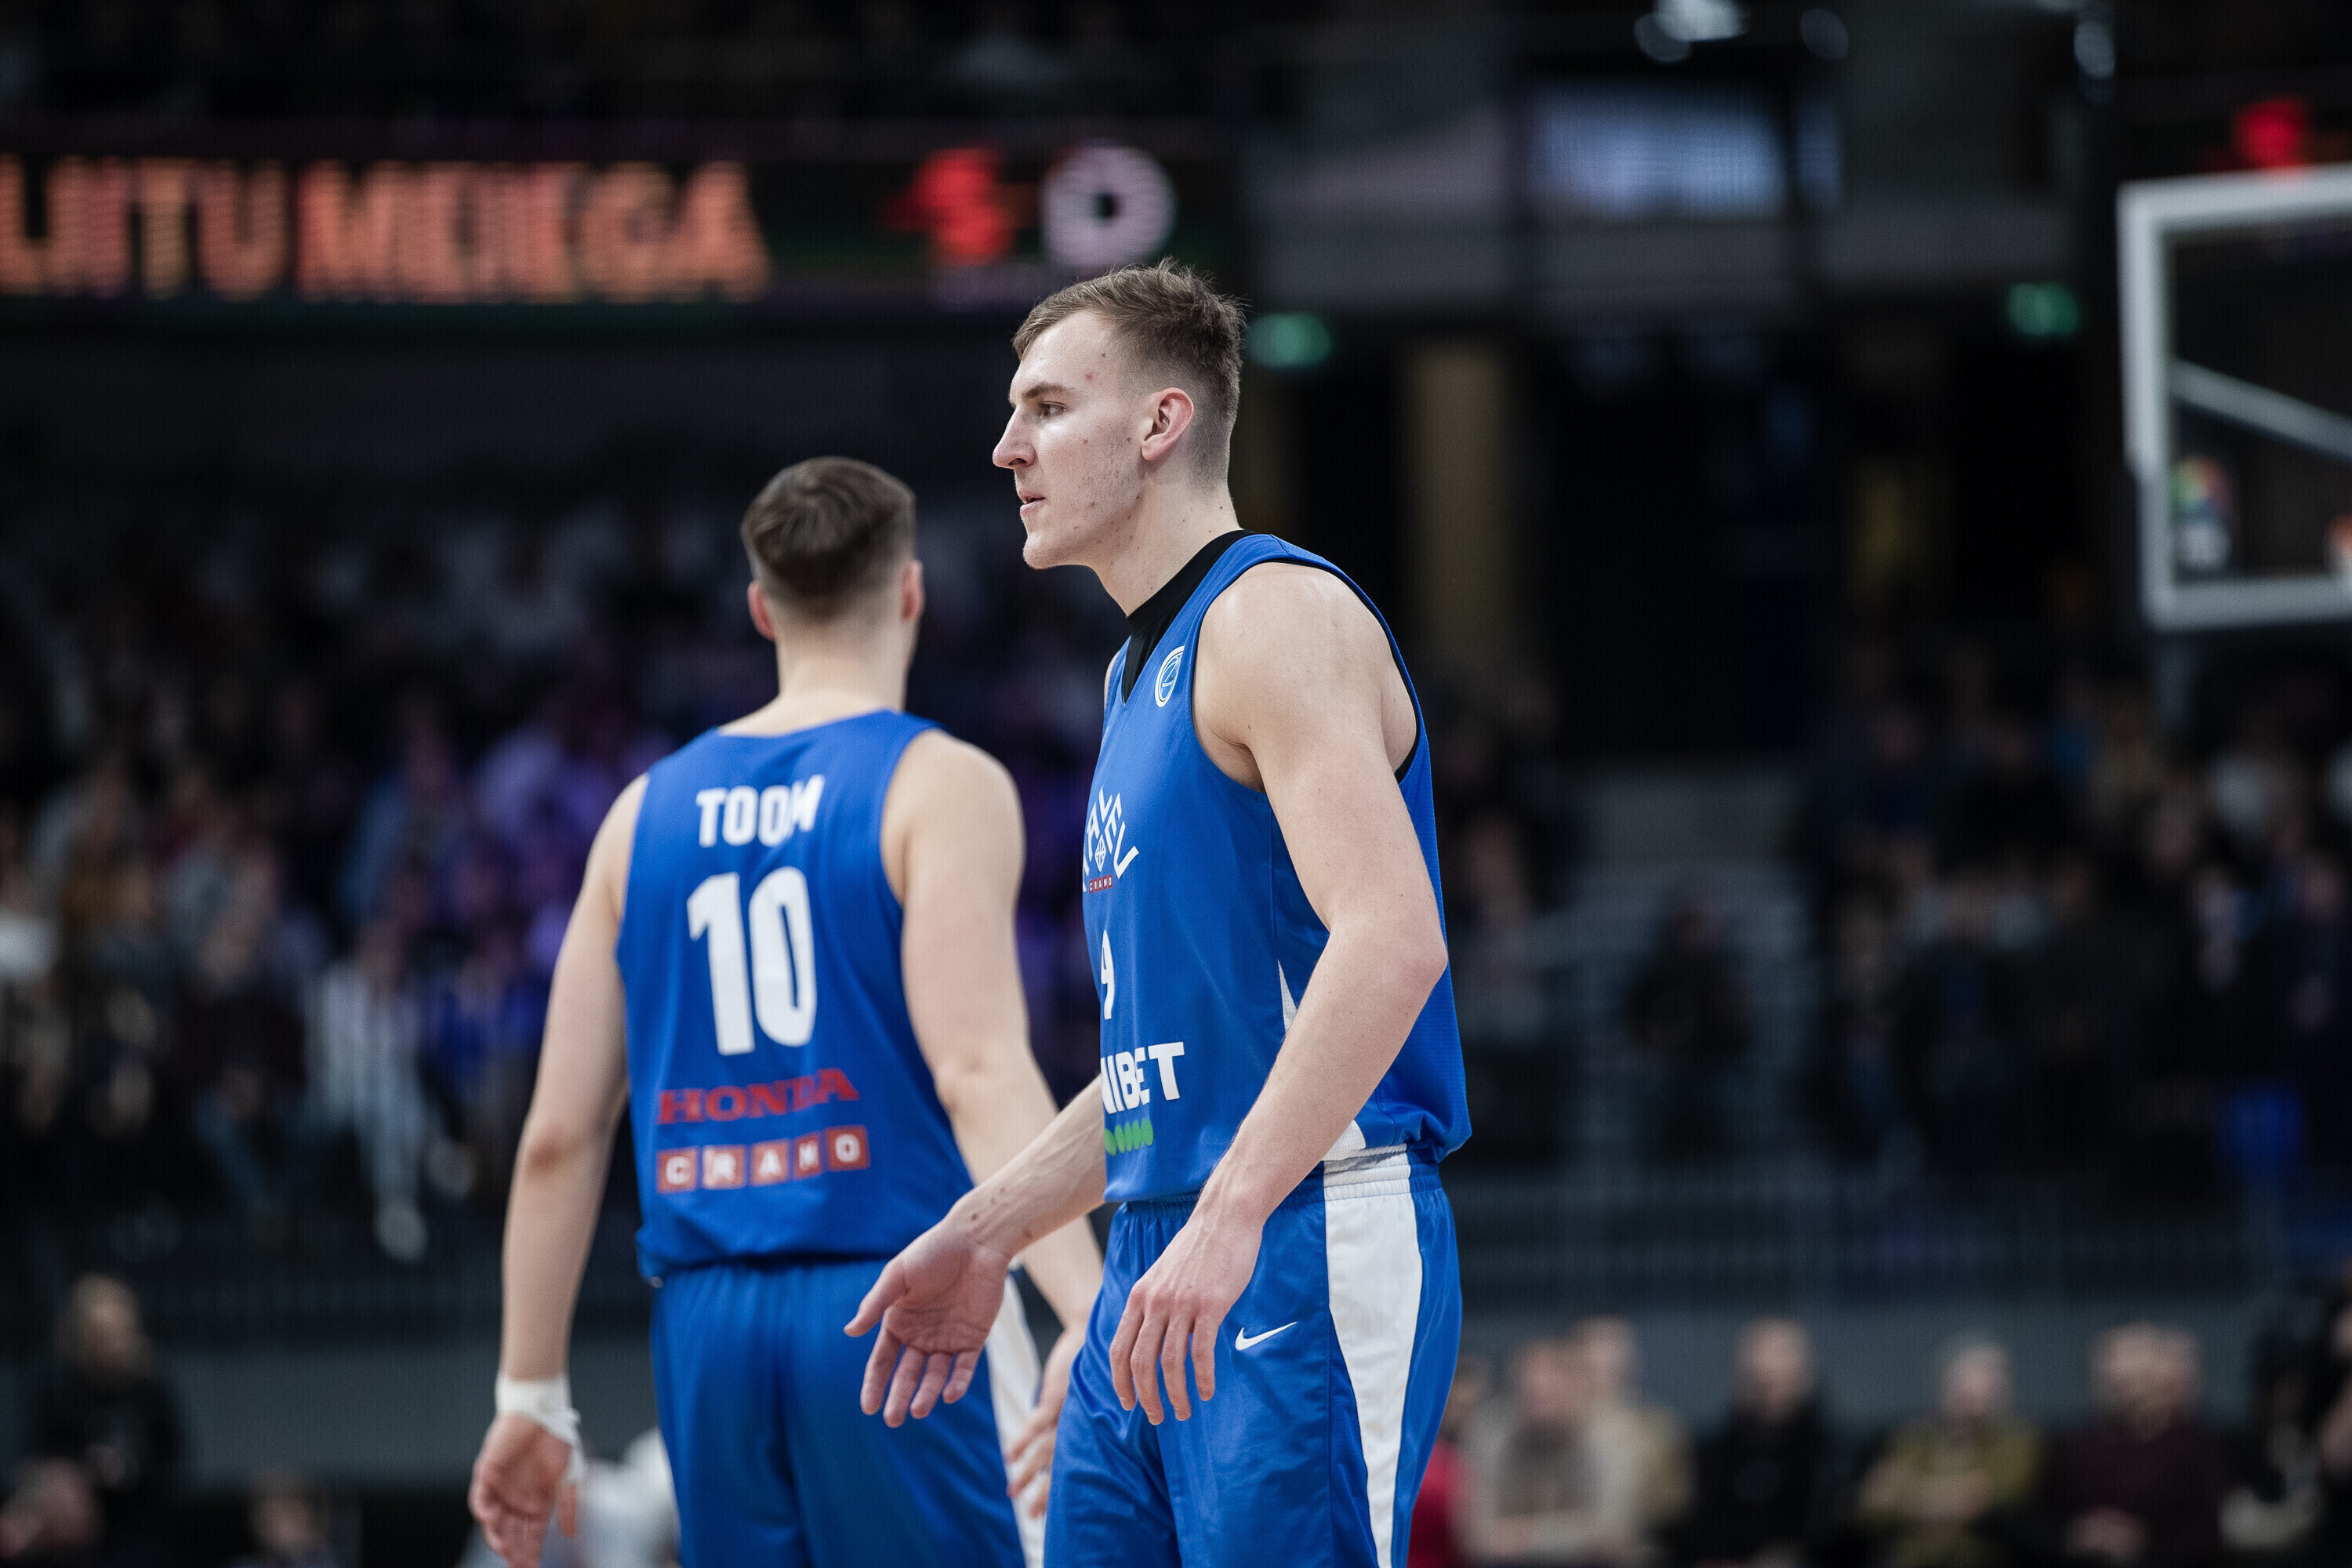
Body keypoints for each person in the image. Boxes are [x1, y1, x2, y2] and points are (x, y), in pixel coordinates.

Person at [847, 259, 1470, 1568]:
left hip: (1296, 1227)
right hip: (1164, 1239)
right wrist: (989, 1232)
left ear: (1160, 423)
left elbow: (1393, 938)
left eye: (1046, 408)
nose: (1008, 447)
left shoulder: (1274, 616)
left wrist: (1230, 1214)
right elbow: (1167, 1067)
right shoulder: (1137, 670)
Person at [465, 456, 1105, 1568]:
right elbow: (977, 1073)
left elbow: (558, 1136)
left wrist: (530, 1391)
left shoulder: (638, 816)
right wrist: (1090, 1308)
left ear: (762, 608)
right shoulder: (940, 783)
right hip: (902, 1299)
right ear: (911, 592)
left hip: (706, 1320)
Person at [2037, 1324, 2228, 1567]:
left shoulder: (2193, 1448)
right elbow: (2041, 1522)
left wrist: (2143, 1540)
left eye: (2137, 1377)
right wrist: (2076, 1535)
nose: (2127, 1388)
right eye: (2117, 1378)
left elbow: (2209, 1536)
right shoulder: (2074, 1448)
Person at [21, 1277, 183, 1550]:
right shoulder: (58, 1386)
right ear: (83, 1336)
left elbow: (173, 1455)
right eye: (102, 1335)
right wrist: (85, 1469)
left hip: (143, 1525)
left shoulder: (151, 1386)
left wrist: (129, 1468)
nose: (113, 1345)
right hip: (73, 1534)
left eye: (119, 1333)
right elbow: (39, 1458)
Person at [1857, 1336, 2040, 1568]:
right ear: (1943, 1388)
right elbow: (1871, 1508)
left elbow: (1986, 1499)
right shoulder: (1911, 1439)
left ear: (2001, 1396)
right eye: (1962, 1391)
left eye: (1981, 1394)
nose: (1969, 1403)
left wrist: (1908, 1491)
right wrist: (1952, 1495)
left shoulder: (2017, 1441)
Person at [1462, 1335, 1645, 1564]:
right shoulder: (1491, 1433)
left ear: (1582, 1384)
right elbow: (1476, 1536)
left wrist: (1528, 1535)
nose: (1540, 1384)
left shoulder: (1613, 1432)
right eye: (1529, 1385)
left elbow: (1613, 1528)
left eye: (1555, 1378)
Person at [1679, 1318, 1838, 1568]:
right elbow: (1694, 1528)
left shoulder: (1832, 1455)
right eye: (1758, 1378)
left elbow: (1829, 1529)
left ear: (1805, 1376)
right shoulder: (1711, 1456)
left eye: (1781, 1376)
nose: (1768, 1376)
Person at [1578, 1316, 1691, 1546]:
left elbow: (1672, 1510)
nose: (1605, 1359)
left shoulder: (1658, 1429)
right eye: (1594, 1347)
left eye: (1615, 1348)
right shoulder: (1551, 1428)